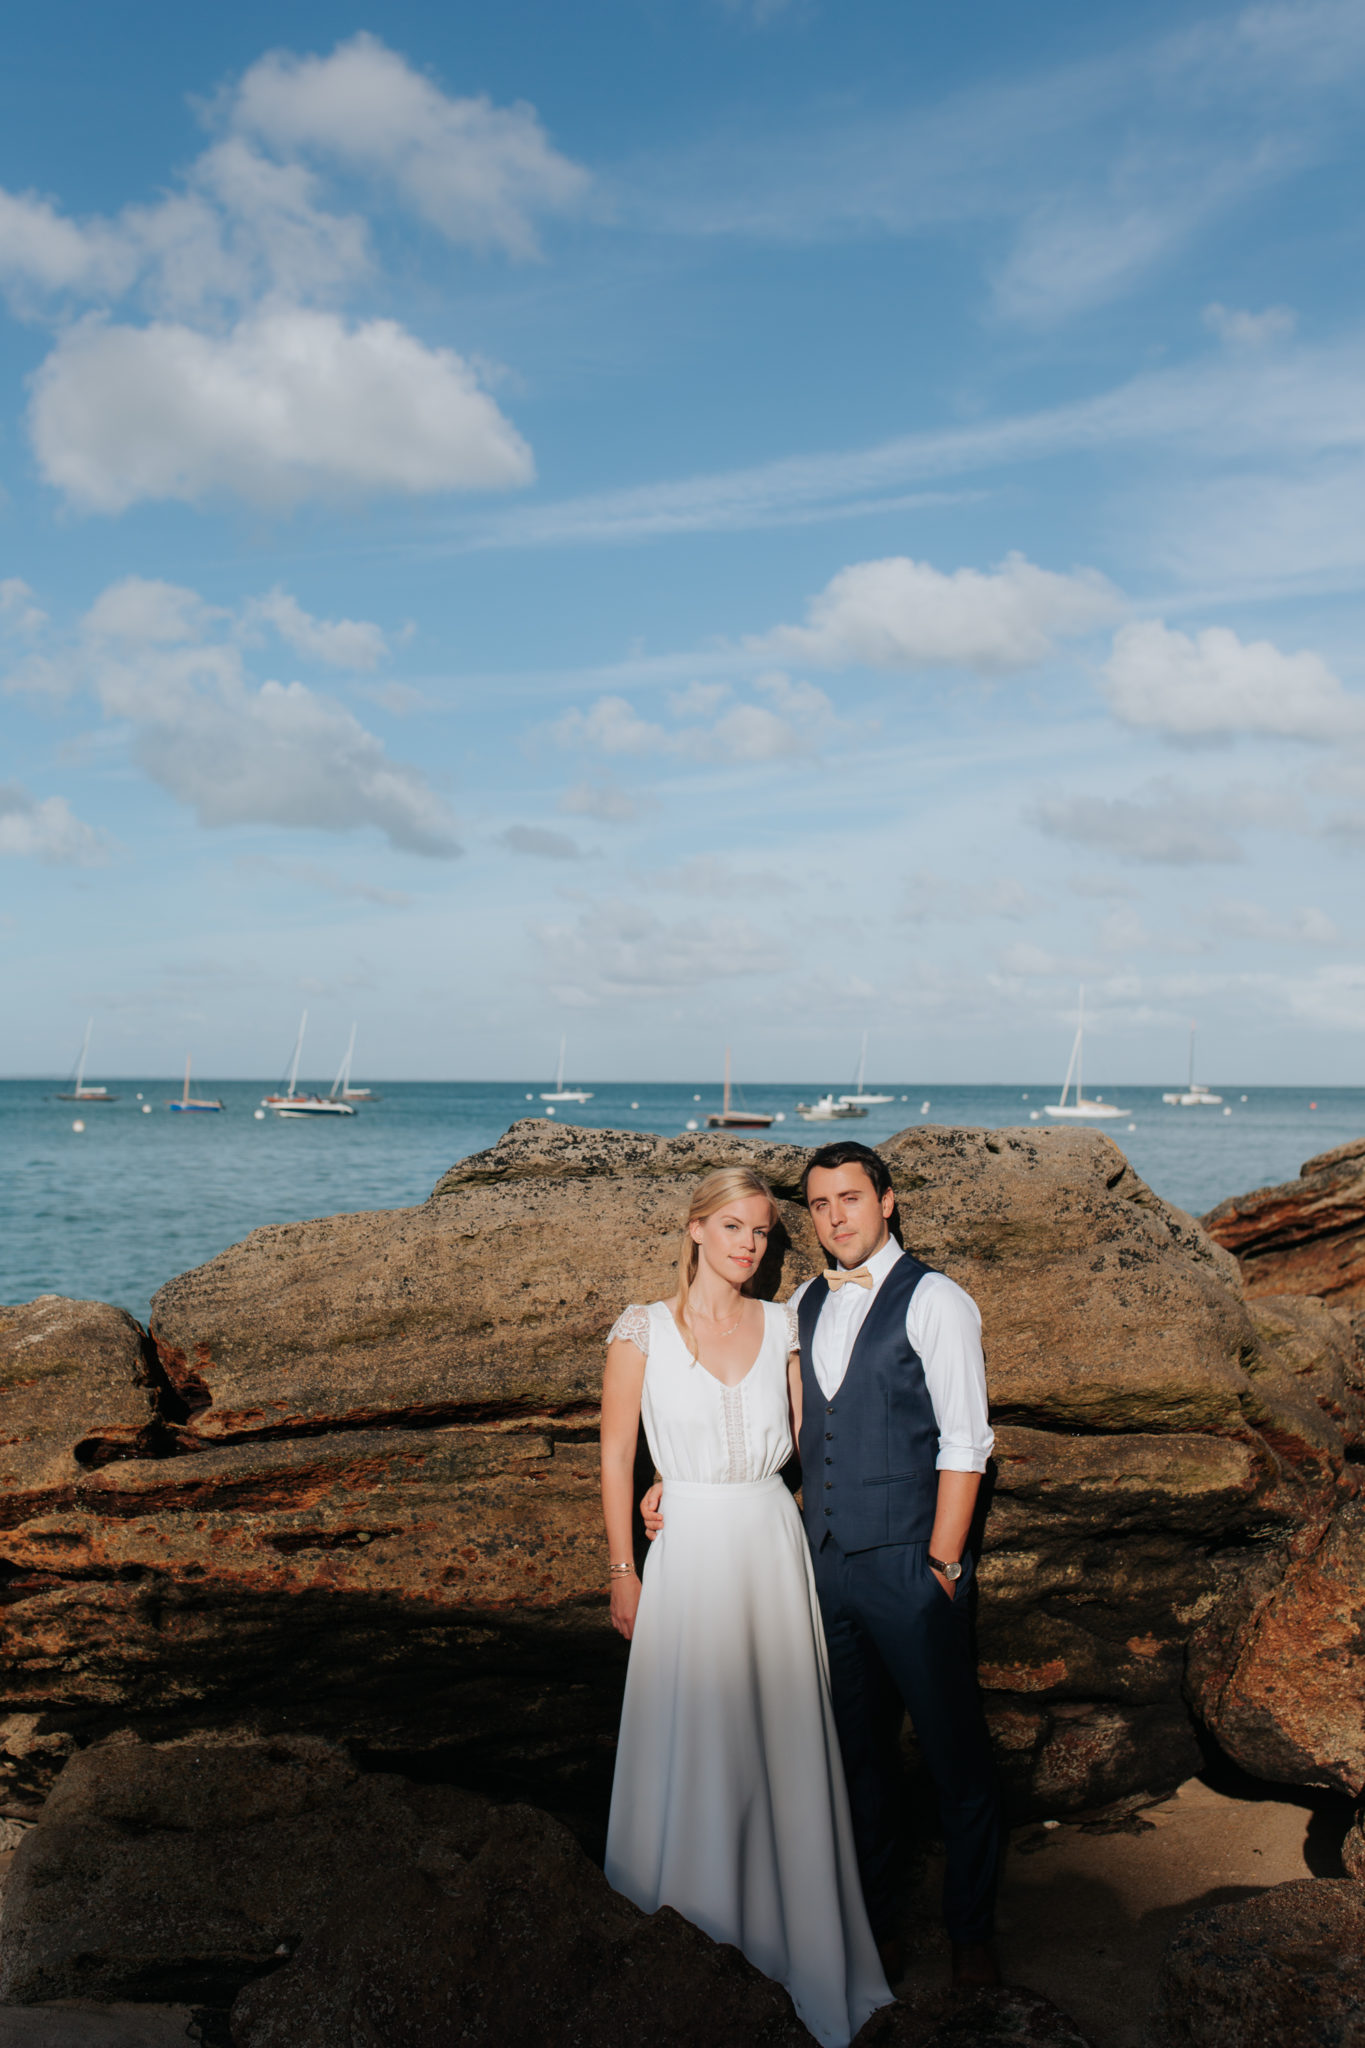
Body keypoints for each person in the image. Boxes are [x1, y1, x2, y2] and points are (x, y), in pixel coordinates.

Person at [644, 1140, 1000, 1988]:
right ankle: (871, 1932)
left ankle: (972, 1937)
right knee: (855, 1760)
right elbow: (748, 1412)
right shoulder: (798, 1303)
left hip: (912, 1569)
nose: (835, 1216)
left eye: (850, 1198)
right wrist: (671, 1481)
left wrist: (943, 1564)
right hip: (821, 1570)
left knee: (954, 1757)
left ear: (886, 1201)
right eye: (820, 1205)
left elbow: (966, 1440)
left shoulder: (938, 1301)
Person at [600, 1165, 892, 2048]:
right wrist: (623, 1565)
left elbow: (814, 1448)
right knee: (691, 1735)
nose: (748, 1245)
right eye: (732, 1227)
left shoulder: (782, 1324)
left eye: (762, 1232)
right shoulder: (640, 1329)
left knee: (781, 1744)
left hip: (768, 1544)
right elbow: (616, 1457)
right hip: (683, 1550)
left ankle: (799, 1962)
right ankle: (683, 1954)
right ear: (695, 1230)